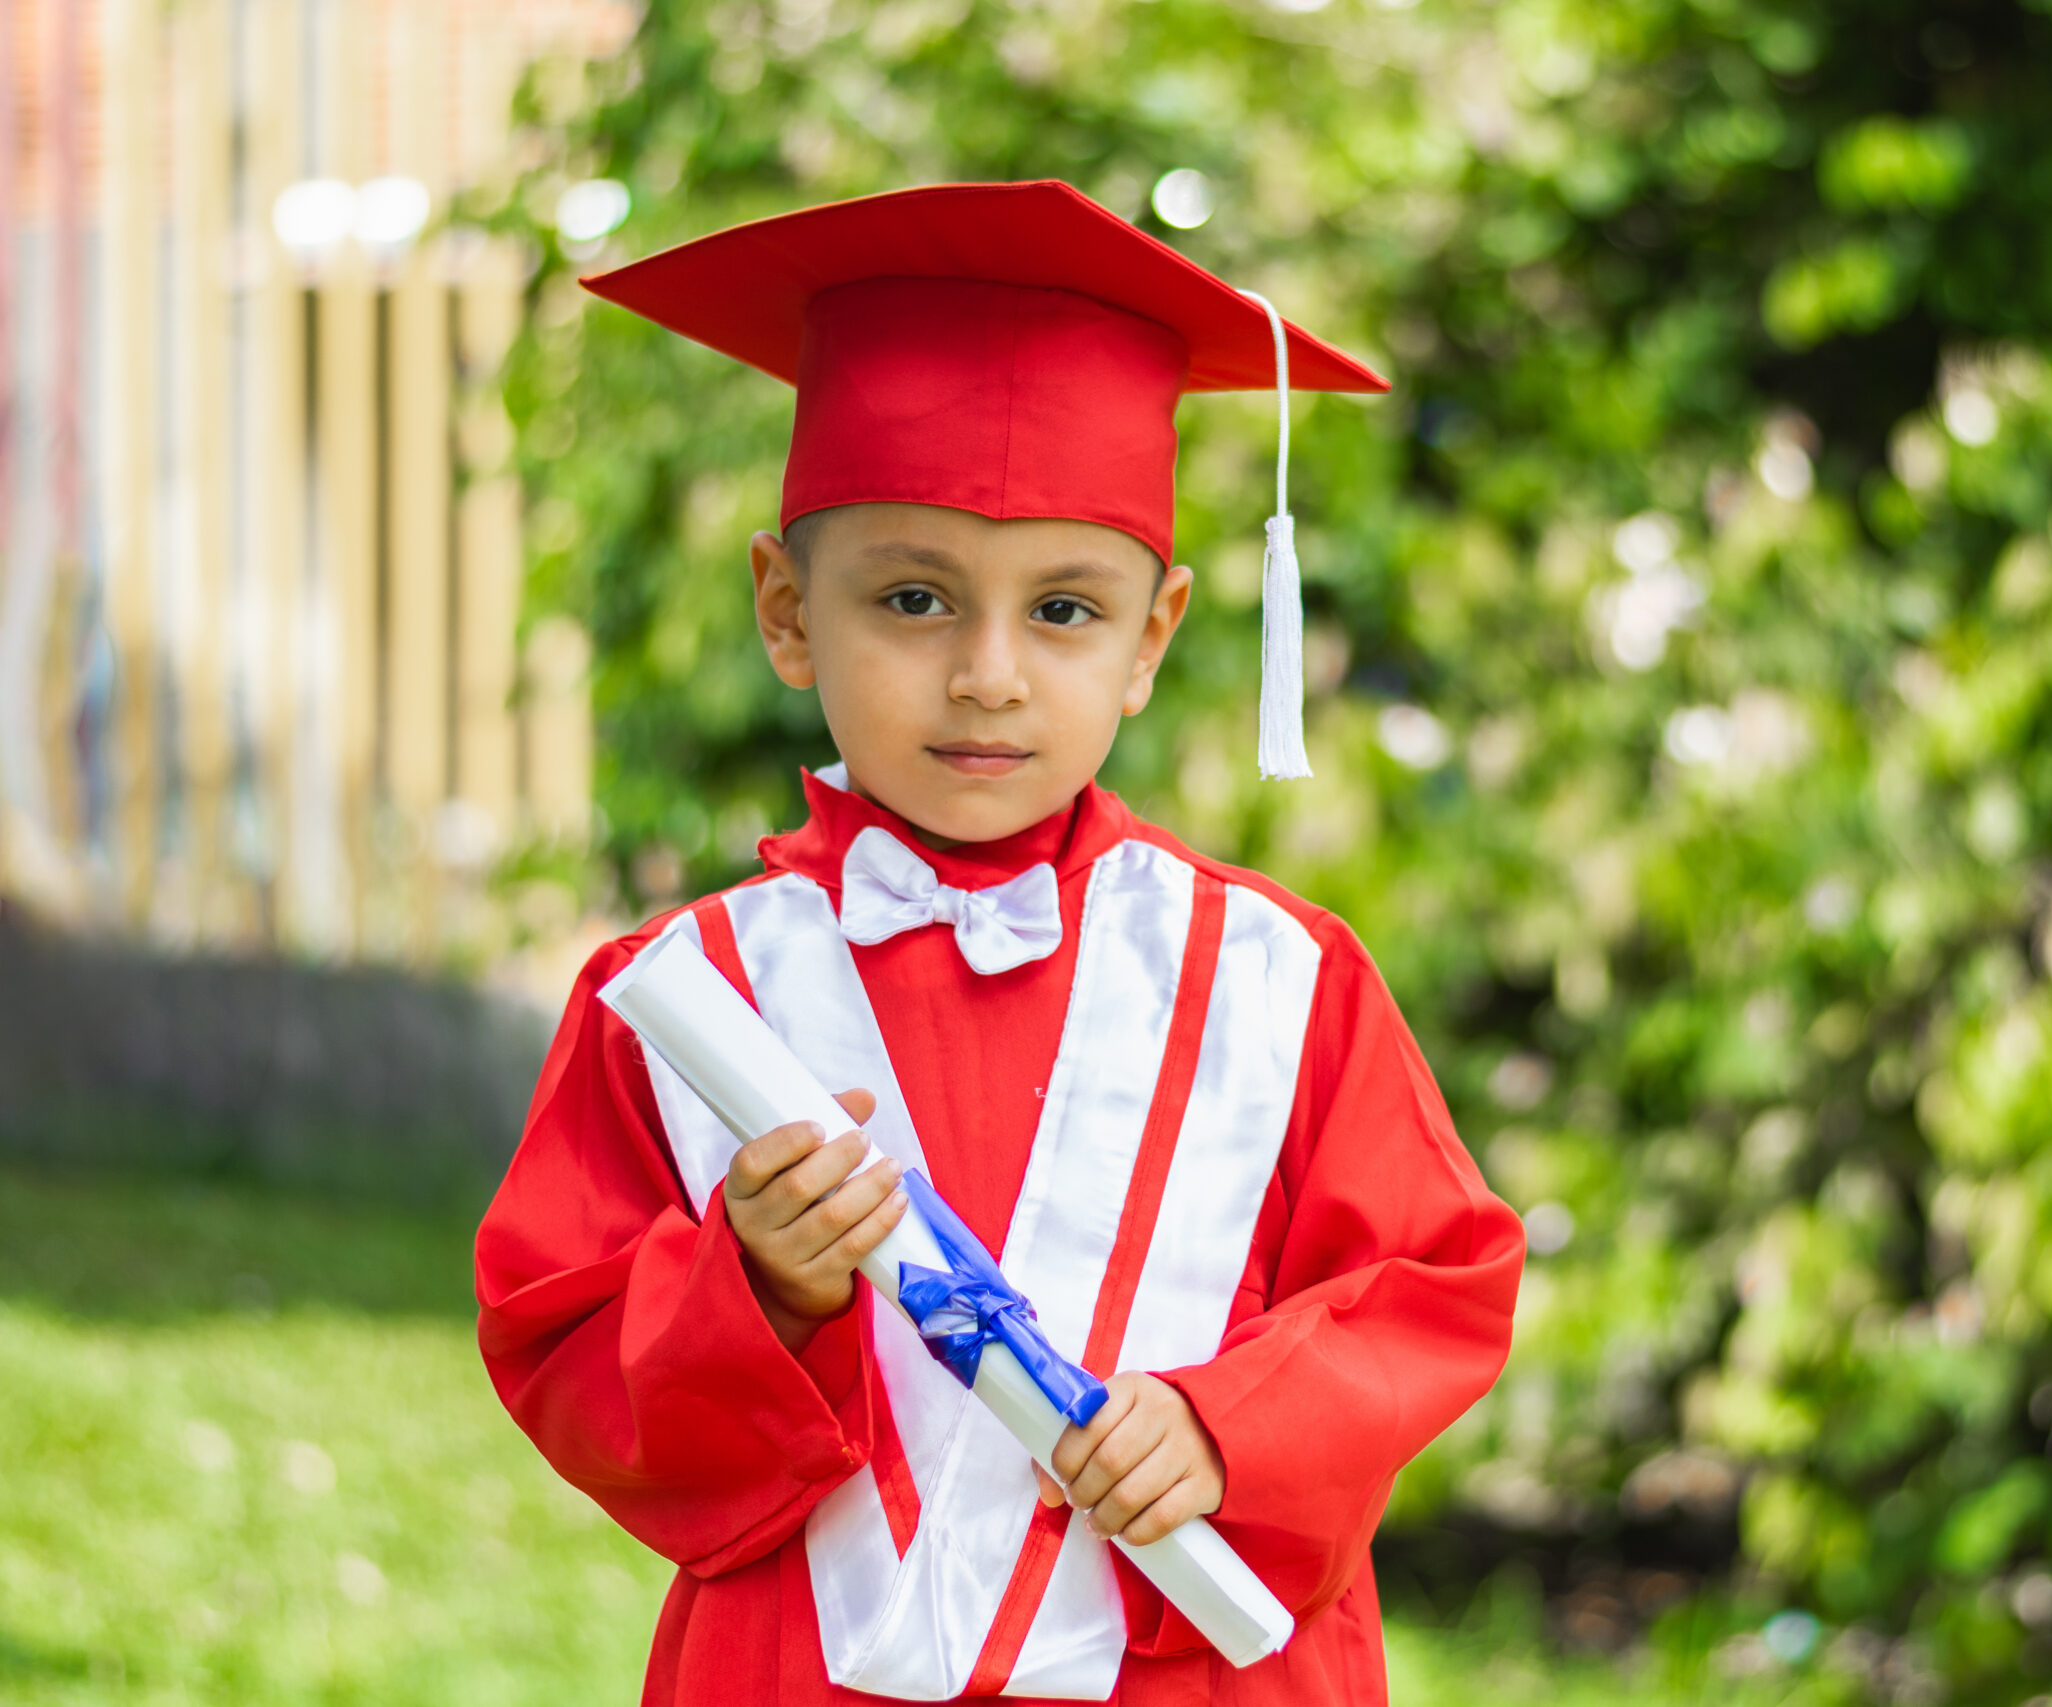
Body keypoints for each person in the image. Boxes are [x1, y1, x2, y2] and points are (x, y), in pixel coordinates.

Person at [474, 179, 1525, 1706]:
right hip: (809, 1671)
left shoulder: (1278, 981)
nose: (987, 676)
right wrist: (755, 1286)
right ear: (785, 608)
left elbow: (1433, 1282)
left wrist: (1235, 1425)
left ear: (1154, 637)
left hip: (1189, 1672)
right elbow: (559, 1343)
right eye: (913, 599)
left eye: (1066, 611)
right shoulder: (684, 1000)